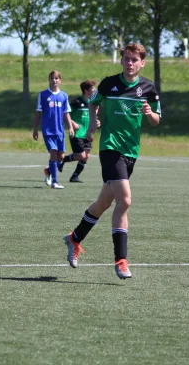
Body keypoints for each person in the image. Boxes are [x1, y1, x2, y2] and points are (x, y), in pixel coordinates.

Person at [63, 43, 161, 279]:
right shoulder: (109, 83)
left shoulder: (149, 88)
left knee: (104, 202)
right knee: (125, 200)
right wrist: (92, 126)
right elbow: (93, 102)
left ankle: (74, 238)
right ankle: (121, 260)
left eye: (134, 60)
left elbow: (157, 120)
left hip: (131, 152)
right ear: (121, 61)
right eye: (126, 59)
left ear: (142, 63)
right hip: (110, 147)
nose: (130, 63)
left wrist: (150, 114)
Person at [32, 70, 74, 189]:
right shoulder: (43, 95)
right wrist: (35, 129)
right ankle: (55, 182)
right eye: (52, 78)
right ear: (49, 80)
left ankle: (49, 170)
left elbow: (66, 113)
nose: (54, 80)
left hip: (60, 131)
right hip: (48, 131)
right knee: (54, 152)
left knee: (61, 157)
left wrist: (70, 127)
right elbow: (38, 113)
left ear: (60, 80)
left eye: (56, 78)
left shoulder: (64, 96)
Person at [58, 80, 100, 183]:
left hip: (87, 133)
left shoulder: (93, 103)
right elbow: (64, 113)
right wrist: (72, 123)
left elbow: (93, 117)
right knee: (81, 156)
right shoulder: (76, 102)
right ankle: (62, 160)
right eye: (92, 88)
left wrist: (96, 122)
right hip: (77, 134)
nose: (94, 90)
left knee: (86, 156)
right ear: (86, 90)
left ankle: (74, 176)